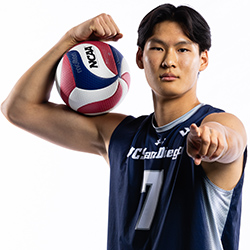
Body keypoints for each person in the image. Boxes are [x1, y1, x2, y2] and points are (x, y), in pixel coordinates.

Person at [1, 3, 247, 250]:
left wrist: (215, 142)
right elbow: (18, 109)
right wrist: (70, 39)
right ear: (140, 57)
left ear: (202, 59)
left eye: (182, 49)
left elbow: (231, 140)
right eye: (158, 48)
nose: (169, 61)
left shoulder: (215, 123)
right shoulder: (121, 135)